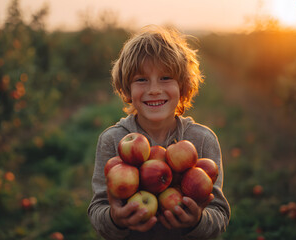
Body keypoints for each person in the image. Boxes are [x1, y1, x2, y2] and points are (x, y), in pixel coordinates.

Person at [87, 25, 230, 240]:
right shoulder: (113, 140)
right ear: (127, 89)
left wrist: (197, 222)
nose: (154, 89)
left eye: (165, 78)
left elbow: (219, 214)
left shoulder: (201, 140)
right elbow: (98, 210)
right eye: (141, 79)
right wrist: (116, 220)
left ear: (183, 87)